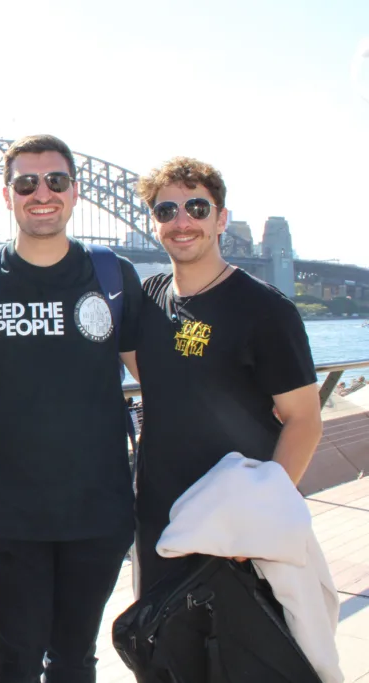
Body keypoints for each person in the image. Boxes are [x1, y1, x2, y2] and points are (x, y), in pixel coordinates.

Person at [0, 134, 142, 682]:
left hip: (99, 512)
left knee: (74, 658)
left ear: (75, 191)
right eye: (26, 183)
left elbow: (156, 378)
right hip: (13, 516)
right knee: (15, 660)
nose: (42, 193)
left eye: (56, 181)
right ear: (6, 195)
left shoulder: (112, 275)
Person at [132, 157, 322, 593]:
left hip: (234, 521)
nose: (182, 222)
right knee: (156, 633)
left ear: (221, 219)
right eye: (166, 211)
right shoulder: (150, 297)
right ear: (154, 223)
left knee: (241, 635)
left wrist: (259, 515)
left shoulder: (266, 310)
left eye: (197, 208)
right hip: (160, 516)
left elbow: (305, 420)